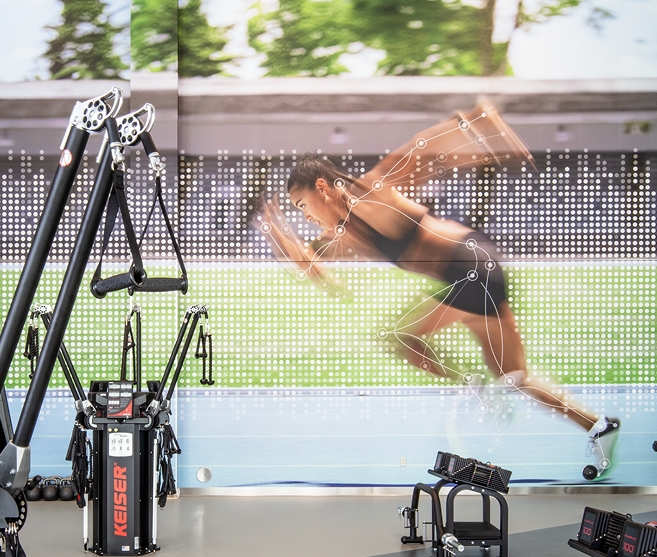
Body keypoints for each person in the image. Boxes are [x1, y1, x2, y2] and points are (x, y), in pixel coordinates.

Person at [254, 102, 621, 480]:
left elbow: (416, 152)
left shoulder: (368, 197)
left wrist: (477, 123)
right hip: (481, 268)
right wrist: (278, 231)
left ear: (321, 187)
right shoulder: (345, 234)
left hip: (468, 269)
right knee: (513, 376)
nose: (307, 216)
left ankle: (471, 383)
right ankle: (597, 425)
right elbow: (315, 272)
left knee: (398, 335)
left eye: (303, 206)